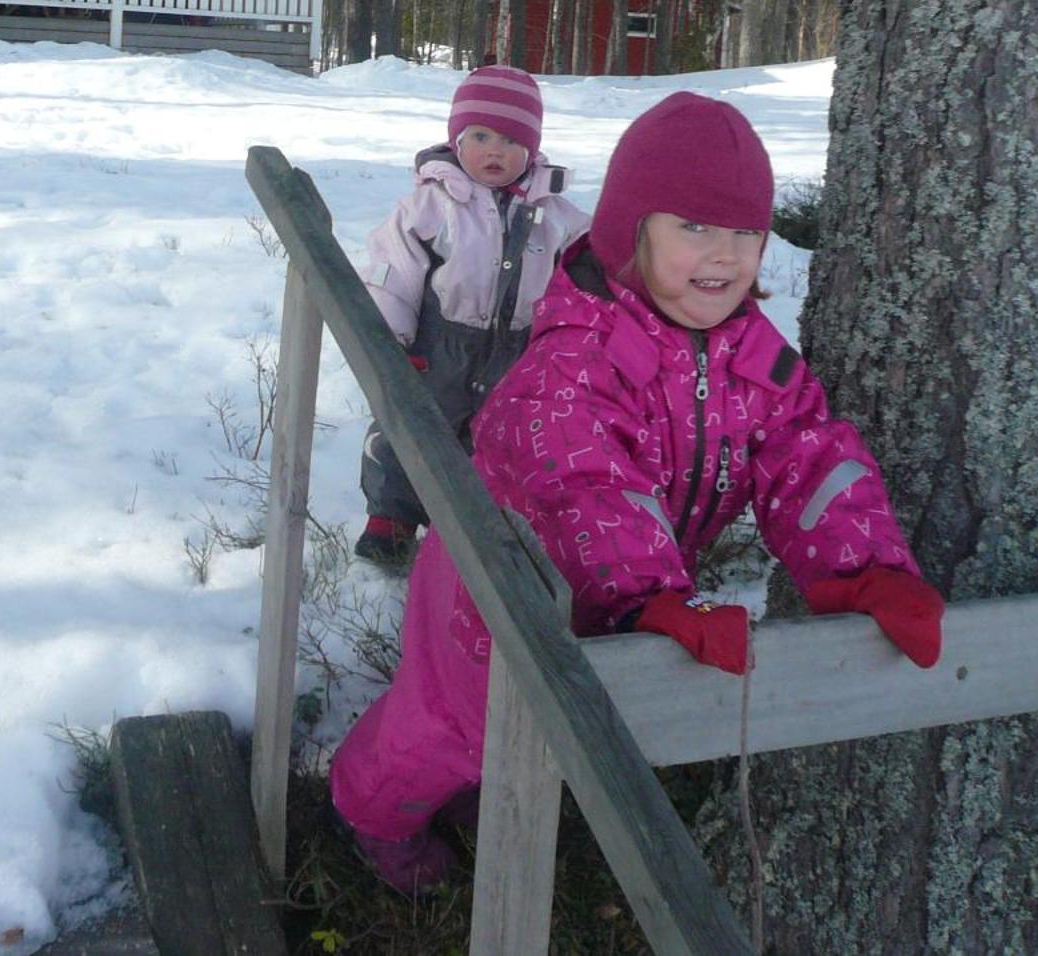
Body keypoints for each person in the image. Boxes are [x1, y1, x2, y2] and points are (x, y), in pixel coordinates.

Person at [329, 91, 945, 894]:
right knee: (457, 727)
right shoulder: (577, 357)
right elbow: (584, 483)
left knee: (561, 728)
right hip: (494, 598)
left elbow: (807, 447)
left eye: (744, 232)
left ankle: (492, 786)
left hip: (628, 595)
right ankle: (369, 812)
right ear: (629, 230)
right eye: (693, 227)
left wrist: (865, 568)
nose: (722, 256)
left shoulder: (744, 348)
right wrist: (653, 596)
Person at [353, 66, 591, 567]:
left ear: (531, 147)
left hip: (518, 352)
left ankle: (474, 526)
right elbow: (395, 270)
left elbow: (583, 276)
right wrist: (391, 343)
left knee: (496, 440)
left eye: (509, 140)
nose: (494, 151)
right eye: (480, 136)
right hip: (439, 347)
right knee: (412, 428)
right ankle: (391, 516)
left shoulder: (557, 215)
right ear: (457, 139)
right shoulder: (430, 205)